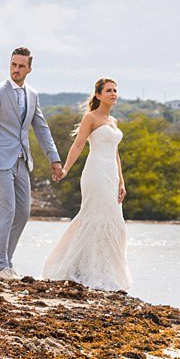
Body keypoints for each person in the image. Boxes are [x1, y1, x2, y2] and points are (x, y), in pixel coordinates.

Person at [0, 46, 63, 279]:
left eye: (21, 66)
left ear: (29, 69)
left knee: (23, 213)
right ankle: (0, 266)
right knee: (6, 211)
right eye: (13, 65)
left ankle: (7, 261)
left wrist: (54, 158)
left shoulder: (32, 95)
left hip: (22, 160)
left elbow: (41, 128)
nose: (16, 69)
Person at [41, 77, 131, 293]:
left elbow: (115, 153)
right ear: (98, 95)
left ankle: (103, 270)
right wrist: (65, 169)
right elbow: (78, 144)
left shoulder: (114, 121)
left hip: (111, 175)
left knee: (113, 220)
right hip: (95, 173)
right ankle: (79, 268)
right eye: (109, 90)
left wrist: (121, 180)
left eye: (115, 90)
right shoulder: (90, 117)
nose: (113, 94)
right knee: (93, 217)